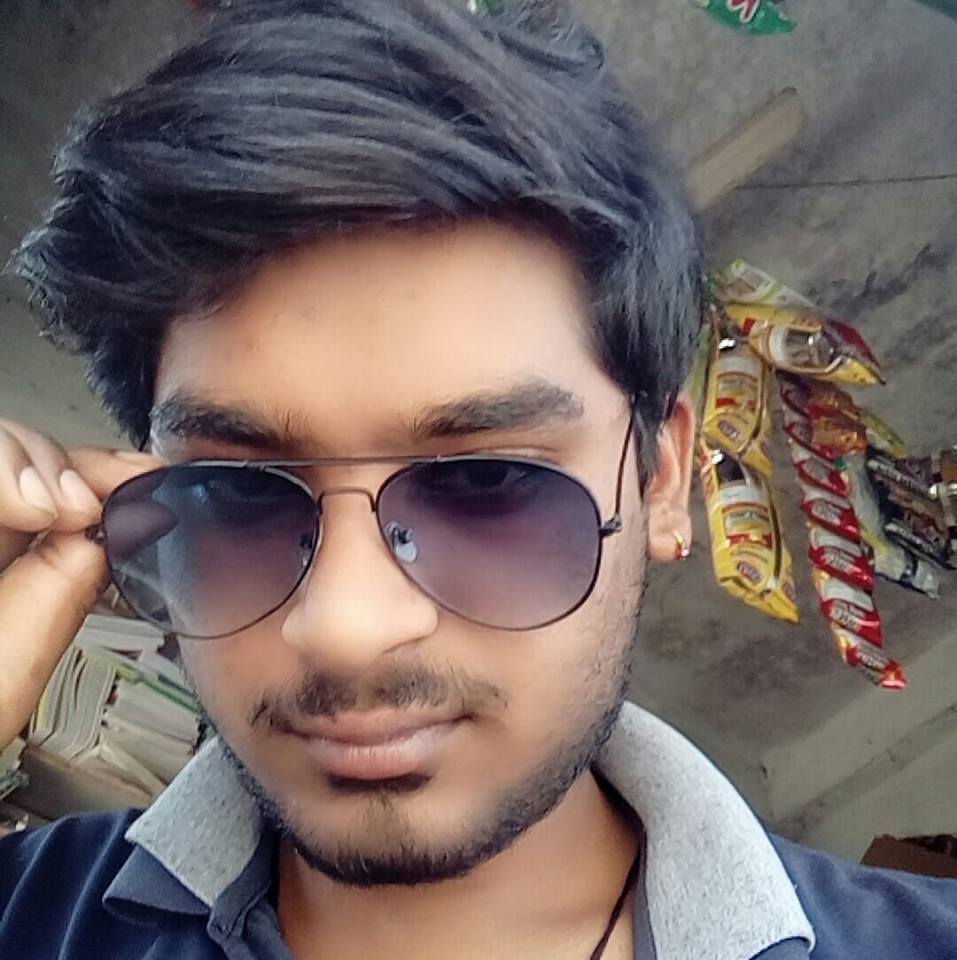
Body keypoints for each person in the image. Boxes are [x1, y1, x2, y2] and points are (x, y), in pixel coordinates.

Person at [0, 1, 954, 958]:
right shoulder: (34, 915)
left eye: (487, 484)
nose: (344, 629)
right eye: (239, 493)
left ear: (659, 482)